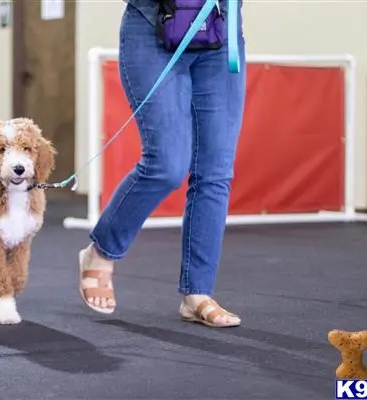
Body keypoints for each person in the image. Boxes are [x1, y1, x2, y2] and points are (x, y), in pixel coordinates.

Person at [77, 0, 245, 328]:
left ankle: (197, 293)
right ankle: (100, 251)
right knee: (167, 163)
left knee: (215, 171)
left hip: (222, 25)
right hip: (154, 21)